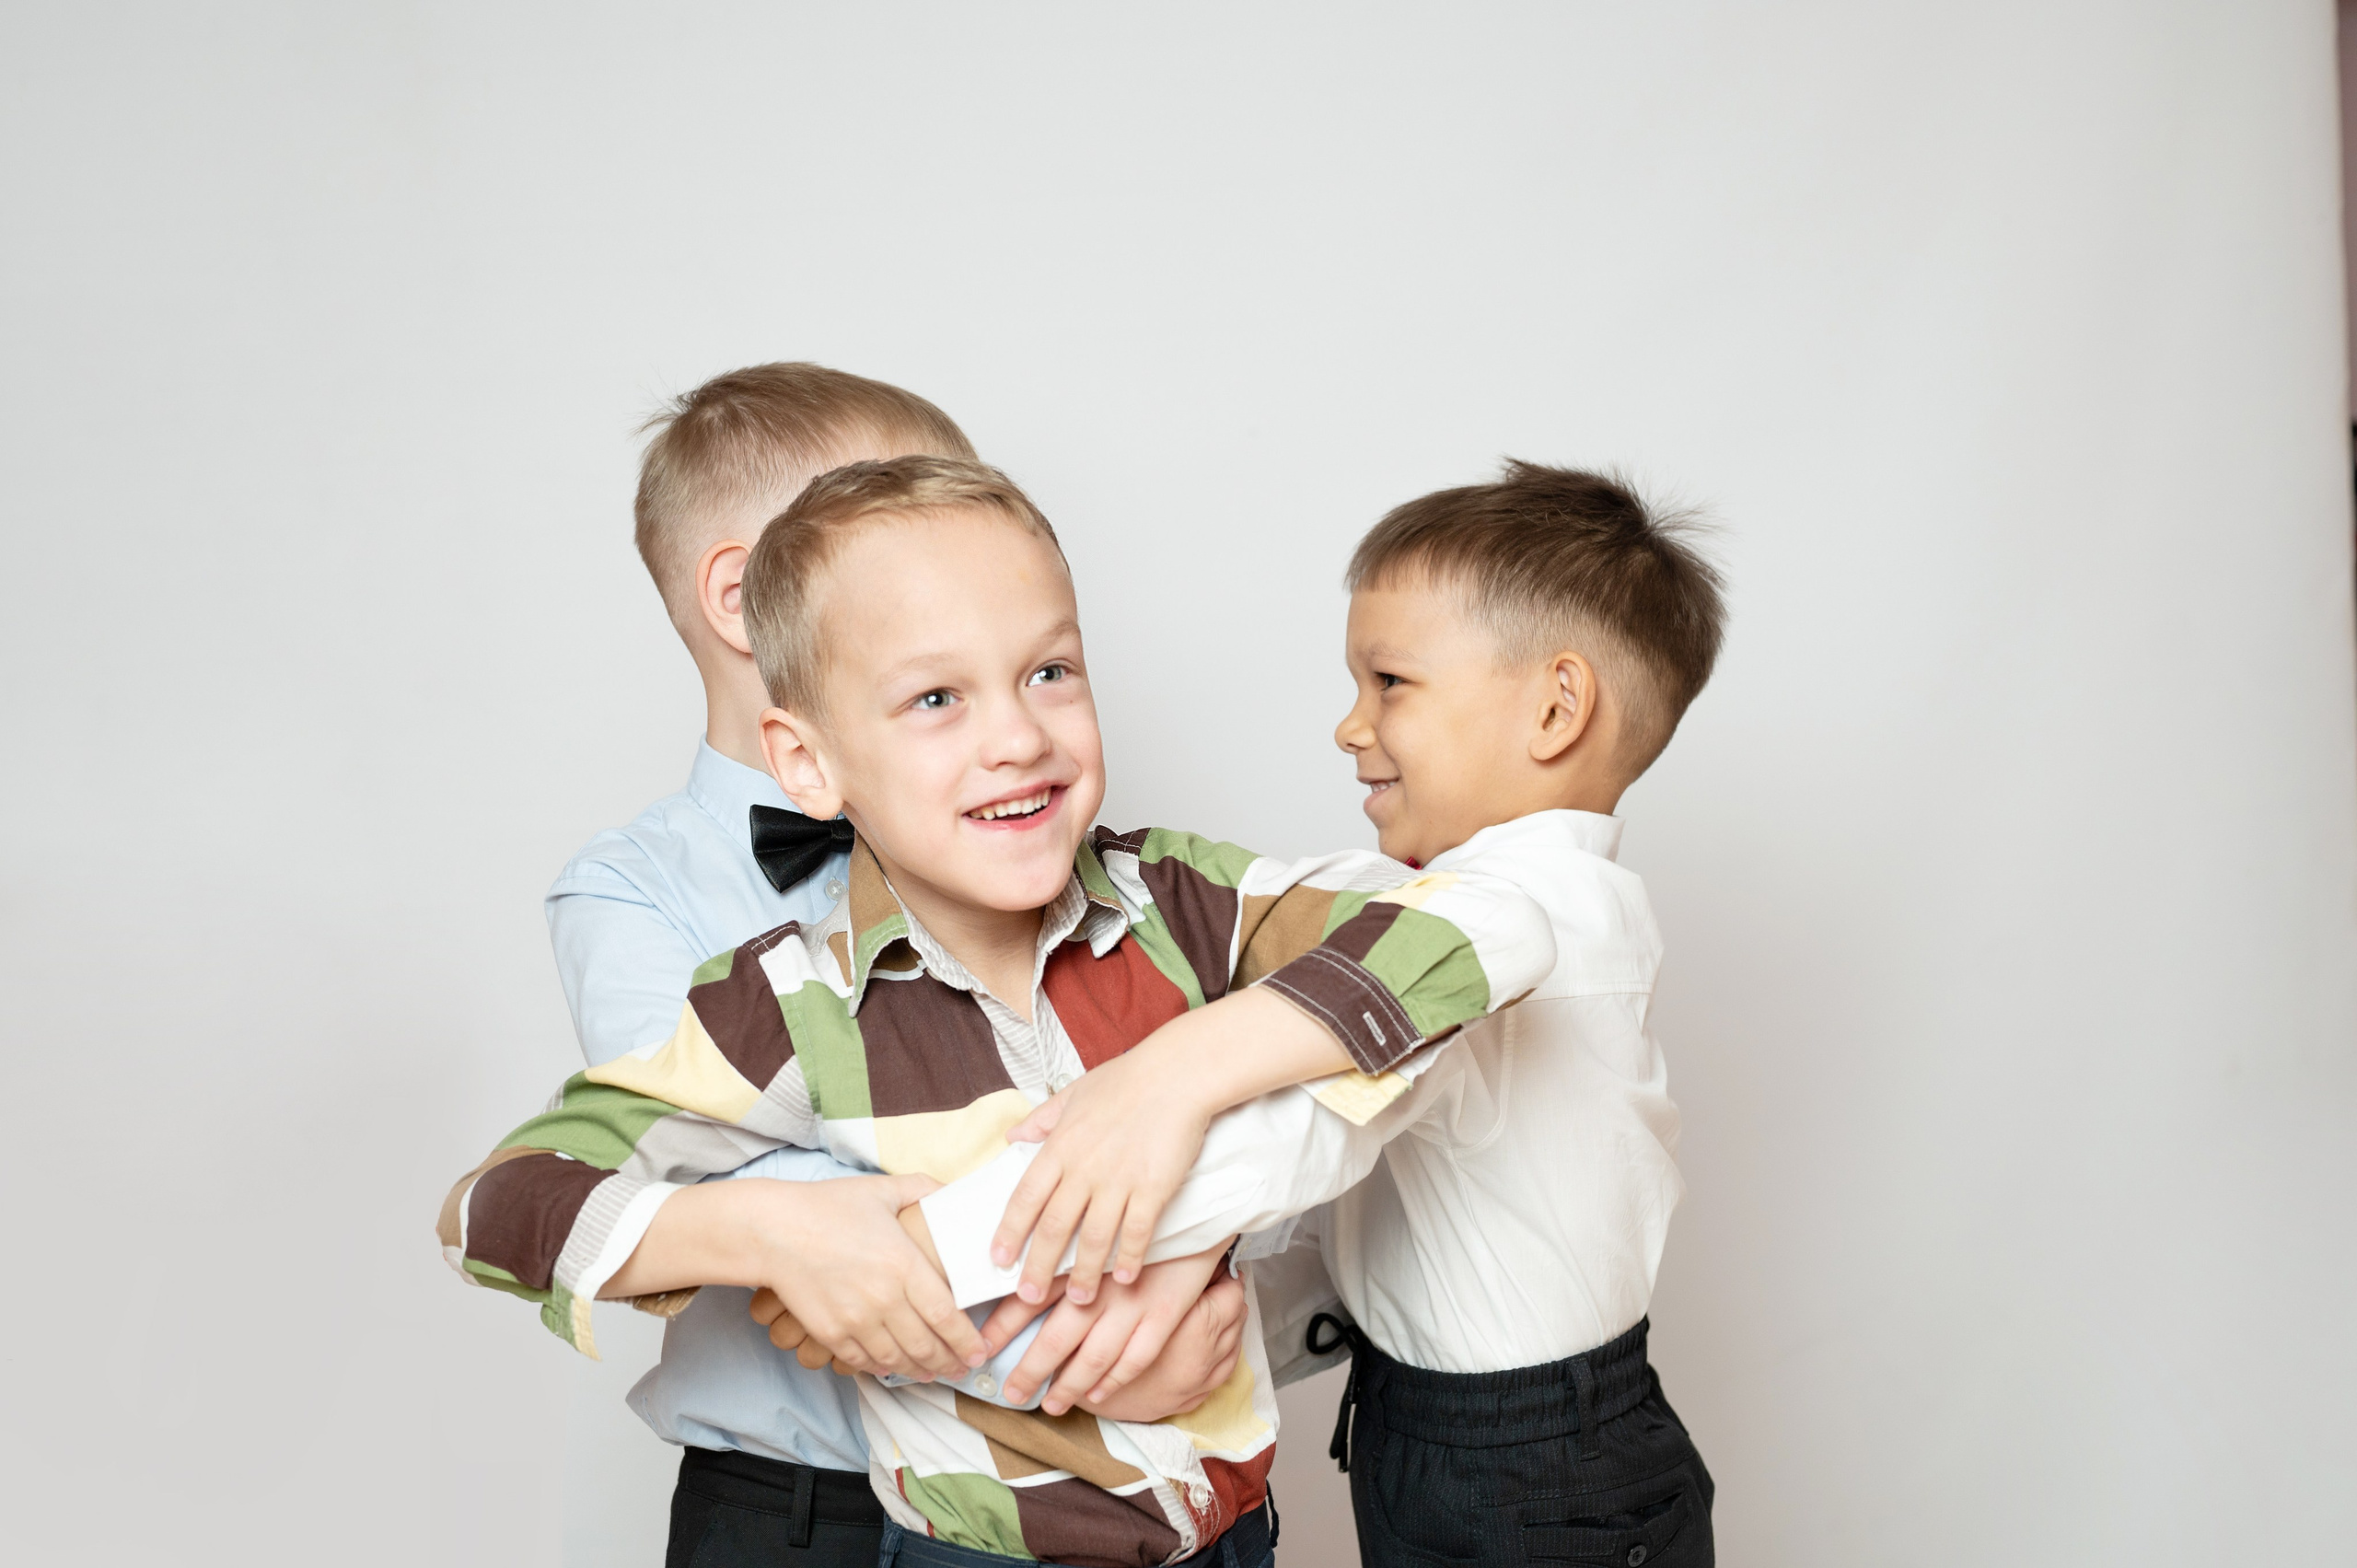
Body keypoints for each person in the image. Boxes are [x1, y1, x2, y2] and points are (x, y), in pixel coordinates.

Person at [439, 456, 1566, 1568]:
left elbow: (1495, 925)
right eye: (936, 698)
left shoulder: (1185, 901)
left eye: (1050, 671)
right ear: (807, 762)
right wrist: (767, 1232)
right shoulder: (790, 1008)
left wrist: (1179, 1076)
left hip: (1236, 1535)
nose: (1018, 737)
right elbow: (495, 1207)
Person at [928, 460, 1726, 1566]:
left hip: (1533, 1469)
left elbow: (1296, 1134)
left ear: (1554, 706)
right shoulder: (1466, 906)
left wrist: (974, 1243)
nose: (1349, 725)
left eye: (1389, 680)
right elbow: (1379, 1231)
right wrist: (1215, 1319)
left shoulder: (1522, 921)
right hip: (1449, 1429)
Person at [532, 366, 1245, 1568]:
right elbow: (814, 1222)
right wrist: (1103, 1300)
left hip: (1090, 1477)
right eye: (883, 511)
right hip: (802, 1509)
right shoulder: (635, 890)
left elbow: (1188, 1108)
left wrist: (1182, 1257)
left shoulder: (1038, 841)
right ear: (744, 594)